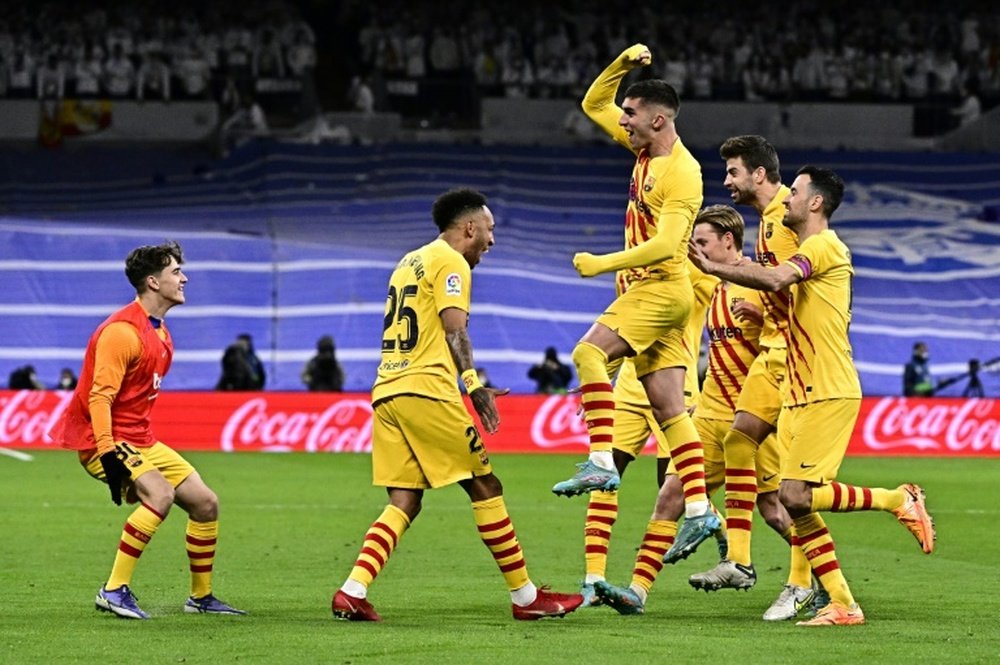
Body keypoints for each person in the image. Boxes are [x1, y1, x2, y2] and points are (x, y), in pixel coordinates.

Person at [688, 165, 936, 626]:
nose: (787, 200)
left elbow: (779, 279)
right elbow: (782, 297)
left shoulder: (822, 245)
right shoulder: (807, 251)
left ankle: (897, 499)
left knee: (795, 495)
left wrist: (716, 267)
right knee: (797, 503)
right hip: (798, 390)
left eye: (795, 193)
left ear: (815, 203)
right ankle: (842, 602)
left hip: (828, 387)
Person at [332, 188, 584, 622]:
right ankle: (526, 598)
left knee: (406, 500)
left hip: (388, 389)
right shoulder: (450, 262)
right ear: (469, 227)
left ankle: (352, 591)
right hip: (427, 389)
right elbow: (454, 331)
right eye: (489, 229)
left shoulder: (408, 261)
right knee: (485, 485)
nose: (492, 240)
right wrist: (473, 385)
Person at [552, 43, 720, 562]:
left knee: (587, 354)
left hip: (660, 289)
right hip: (659, 296)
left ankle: (600, 459)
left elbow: (670, 246)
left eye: (632, 113)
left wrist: (602, 263)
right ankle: (698, 510)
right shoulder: (645, 152)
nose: (621, 120)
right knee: (671, 410)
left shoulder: (681, 172)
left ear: (659, 119)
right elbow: (593, 105)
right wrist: (621, 68)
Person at [48, 241, 244, 620]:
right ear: (153, 282)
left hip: (141, 440)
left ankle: (200, 598)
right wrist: (107, 451)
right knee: (160, 494)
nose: (184, 278)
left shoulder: (162, 334)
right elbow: (99, 399)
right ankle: (113, 590)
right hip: (102, 440)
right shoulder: (122, 333)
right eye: (176, 272)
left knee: (206, 503)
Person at [679, 135, 823, 622]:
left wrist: (726, 271)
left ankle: (809, 578)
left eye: (733, 172)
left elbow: (794, 279)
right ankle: (739, 561)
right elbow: (780, 289)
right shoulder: (768, 223)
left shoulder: (790, 217)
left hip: (797, 358)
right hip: (772, 351)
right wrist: (759, 309)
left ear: (759, 174)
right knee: (741, 444)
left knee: (793, 490)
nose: (727, 180)